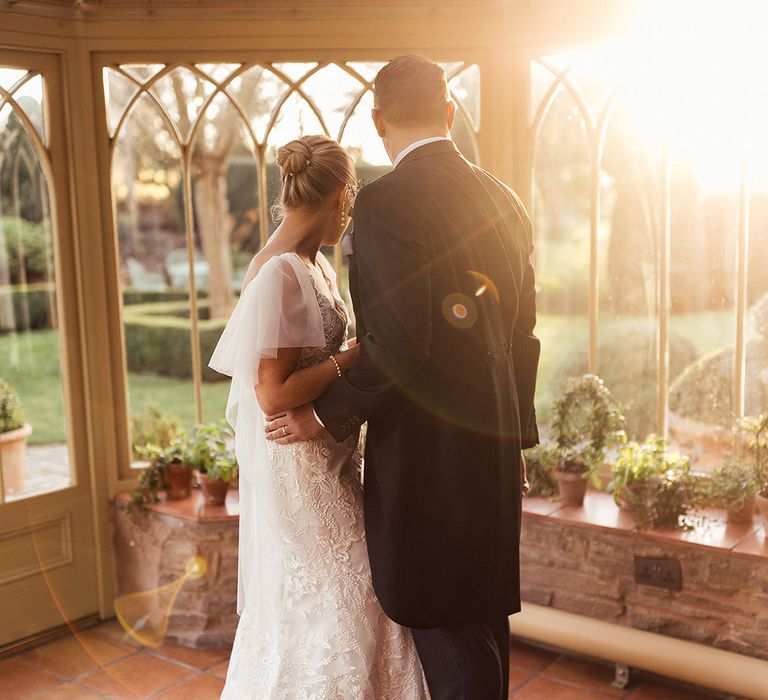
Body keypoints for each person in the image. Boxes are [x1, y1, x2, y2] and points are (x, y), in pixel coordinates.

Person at [266, 55, 540, 699]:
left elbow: (399, 345)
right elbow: (522, 334)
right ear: (449, 112)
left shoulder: (385, 203)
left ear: (378, 119)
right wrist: (517, 439)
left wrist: (323, 413)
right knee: (482, 621)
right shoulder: (506, 200)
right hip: (494, 453)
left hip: (427, 467)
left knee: (446, 628)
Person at [209, 134, 427, 699]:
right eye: (350, 204)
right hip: (301, 471)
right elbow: (272, 395)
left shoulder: (314, 265)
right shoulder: (279, 273)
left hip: (328, 458)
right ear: (342, 196)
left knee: (347, 593)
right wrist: (352, 354)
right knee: (345, 589)